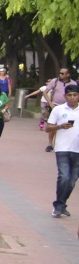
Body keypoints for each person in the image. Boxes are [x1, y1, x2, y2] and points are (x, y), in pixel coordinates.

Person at [48, 82, 79, 217]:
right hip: (62, 148)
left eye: (75, 95)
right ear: (65, 96)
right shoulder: (58, 110)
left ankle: (61, 203)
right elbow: (47, 128)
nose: (72, 98)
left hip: (77, 150)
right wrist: (60, 127)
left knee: (72, 180)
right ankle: (58, 206)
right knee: (64, 177)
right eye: (70, 95)